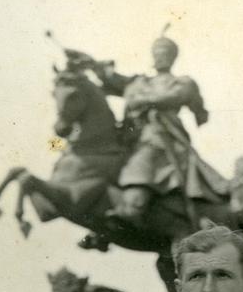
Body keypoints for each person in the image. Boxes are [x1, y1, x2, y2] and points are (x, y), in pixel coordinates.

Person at [70, 36, 227, 226]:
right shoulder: (138, 82)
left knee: (143, 157)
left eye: (165, 54)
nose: (161, 58)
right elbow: (113, 78)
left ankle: (133, 208)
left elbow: (176, 96)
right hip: (128, 135)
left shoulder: (182, 82)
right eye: (157, 54)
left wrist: (144, 100)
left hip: (160, 135)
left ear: (173, 58)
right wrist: (91, 63)